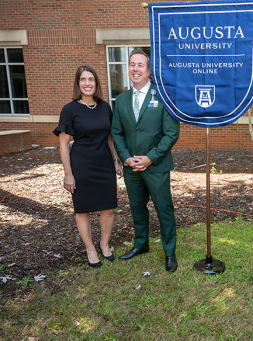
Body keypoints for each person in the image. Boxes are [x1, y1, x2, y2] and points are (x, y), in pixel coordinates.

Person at [111, 49, 180, 272]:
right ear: (128, 69)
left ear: (149, 71)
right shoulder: (120, 100)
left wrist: (150, 158)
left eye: (140, 65)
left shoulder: (163, 97)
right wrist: (125, 158)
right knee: (137, 207)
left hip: (156, 166)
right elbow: (117, 132)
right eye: (132, 64)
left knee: (164, 208)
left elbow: (171, 133)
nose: (135, 69)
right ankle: (141, 245)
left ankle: (170, 252)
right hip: (132, 167)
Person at [54, 66, 123, 268]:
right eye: (83, 79)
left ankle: (104, 243)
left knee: (109, 208)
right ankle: (90, 249)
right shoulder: (69, 109)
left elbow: (110, 137)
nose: (87, 83)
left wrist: (116, 160)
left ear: (96, 83)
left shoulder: (104, 107)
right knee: (83, 210)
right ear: (78, 83)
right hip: (81, 165)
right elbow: (64, 144)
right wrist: (68, 174)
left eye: (91, 79)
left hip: (104, 164)